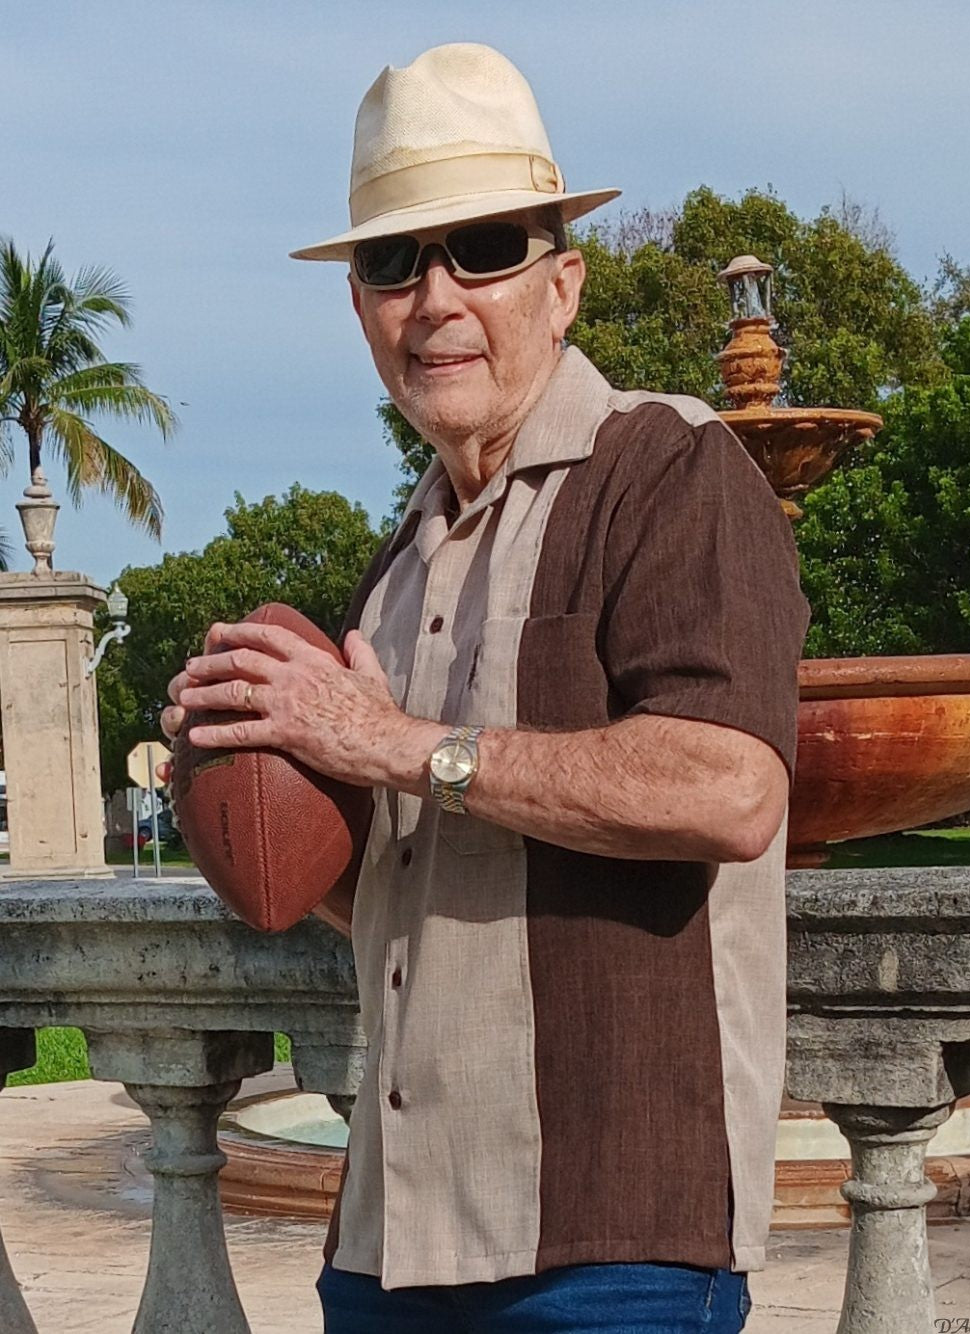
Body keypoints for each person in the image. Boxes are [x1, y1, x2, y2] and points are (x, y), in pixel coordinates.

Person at [161, 43, 809, 1334]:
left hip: (617, 1244)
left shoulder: (671, 469)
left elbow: (732, 787)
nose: (435, 297)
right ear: (359, 307)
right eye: (393, 262)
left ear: (562, 285)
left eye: (484, 249)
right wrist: (237, 769)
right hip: (389, 1244)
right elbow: (388, 894)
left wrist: (398, 742)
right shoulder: (395, 565)